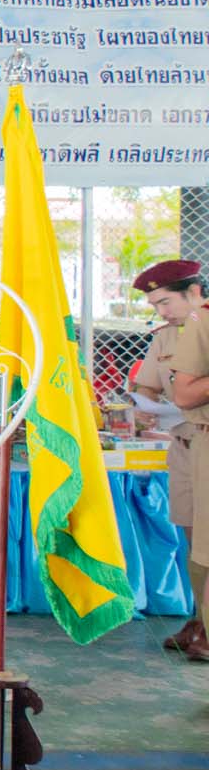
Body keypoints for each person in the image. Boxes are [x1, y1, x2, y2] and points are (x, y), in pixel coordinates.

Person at [152, 259, 209, 662]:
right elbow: (174, 393)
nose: (161, 312)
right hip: (190, 440)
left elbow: (187, 394)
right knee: (197, 543)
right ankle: (200, 618)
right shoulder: (181, 331)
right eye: (155, 305)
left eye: (165, 301)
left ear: (193, 292)